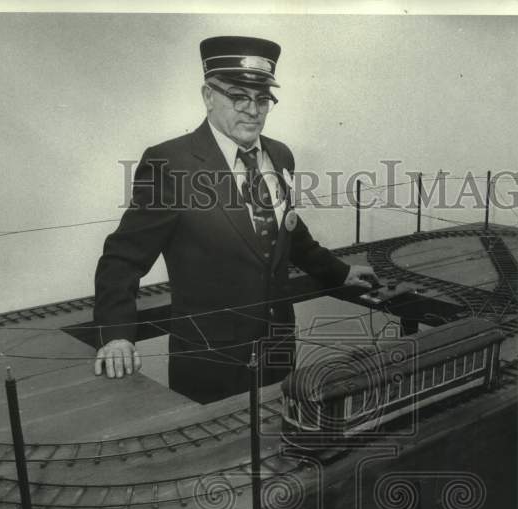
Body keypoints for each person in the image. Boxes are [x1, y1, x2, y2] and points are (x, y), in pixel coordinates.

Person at [92, 35, 376, 403]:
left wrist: (338, 272)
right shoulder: (171, 164)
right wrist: (116, 334)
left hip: (278, 352)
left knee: (279, 448)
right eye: (238, 96)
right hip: (210, 363)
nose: (252, 110)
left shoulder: (280, 155)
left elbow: (288, 232)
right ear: (208, 96)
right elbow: (122, 259)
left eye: (262, 99)